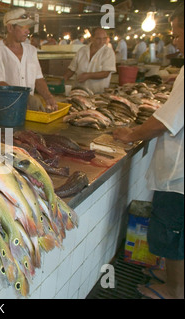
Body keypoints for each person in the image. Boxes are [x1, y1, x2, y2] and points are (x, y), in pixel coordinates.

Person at [113, 3, 184, 299]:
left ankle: (174, 289)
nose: (175, 41)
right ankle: (172, 278)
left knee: (173, 234)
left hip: (179, 176)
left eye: (178, 34)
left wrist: (132, 133)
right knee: (176, 233)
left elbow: (168, 120)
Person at [0, 8, 58, 113]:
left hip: (27, 109)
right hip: (5, 110)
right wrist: (26, 97)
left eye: (28, 27)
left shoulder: (31, 51)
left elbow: (38, 79)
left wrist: (48, 97)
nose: (28, 31)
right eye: (23, 27)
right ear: (10, 28)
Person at [63, 27, 116, 94]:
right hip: (79, 91)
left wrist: (88, 75)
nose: (102, 41)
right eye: (98, 38)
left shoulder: (109, 52)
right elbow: (72, 69)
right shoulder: (82, 50)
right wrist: (63, 79)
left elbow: (106, 73)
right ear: (92, 38)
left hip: (98, 93)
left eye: (104, 38)